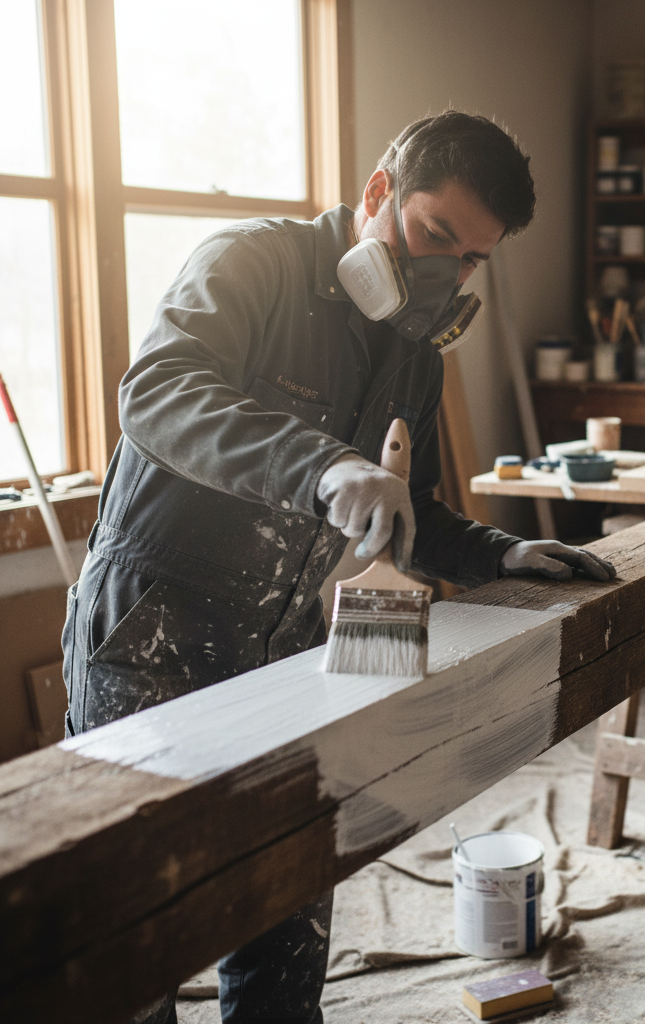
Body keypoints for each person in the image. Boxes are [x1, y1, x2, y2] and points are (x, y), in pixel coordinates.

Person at [61, 110, 615, 1024]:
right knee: (132, 936)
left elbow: (409, 508)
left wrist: (499, 551)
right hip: (147, 640)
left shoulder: (415, 355)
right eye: (436, 234)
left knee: (284, 908)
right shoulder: (252, 263)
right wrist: (322, 465)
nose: (448, 269)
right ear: (377, 194)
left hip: (283, 652)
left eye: (472, 259)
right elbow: (158, 391)